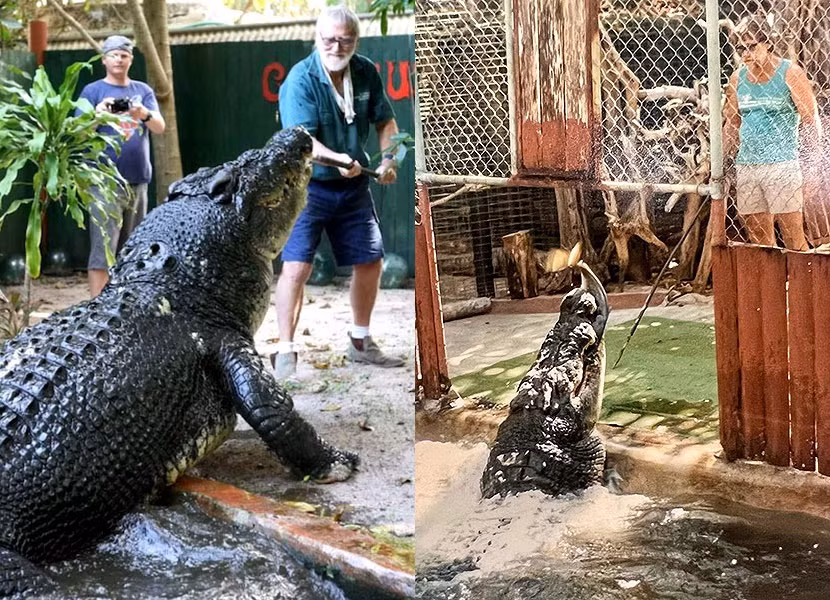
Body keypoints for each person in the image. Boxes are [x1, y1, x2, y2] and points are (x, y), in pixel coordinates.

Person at [271, 5, 404, 379]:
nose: (336, 46)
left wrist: (390, 157)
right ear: (318, 39)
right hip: (307, 186)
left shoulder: (365, 71)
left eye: (345, 40)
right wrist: (341, 160)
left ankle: (360, 342)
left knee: (371, 260)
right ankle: (285, 350)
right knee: (297, 266)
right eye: (329, 39)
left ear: (355, 41)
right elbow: (303, 142)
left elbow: (386, 120)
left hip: (354, 185)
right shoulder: (301, 80)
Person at [723, 16, 823, 251]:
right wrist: (721, 164)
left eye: (751, 46)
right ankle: (774, 288)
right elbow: (733, 123)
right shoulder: (737, 79)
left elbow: (811, 121)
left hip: (783, 164)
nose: (745, 54)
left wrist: (813, 168)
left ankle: (802, 286)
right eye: (740, 48)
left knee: (792, 236)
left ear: (767, 43)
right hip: (748, 165)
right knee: (759, 238)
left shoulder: (790, 73)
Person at [78, 35, 166, 296]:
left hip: (138, 182)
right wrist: (98, 114)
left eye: (124, 55)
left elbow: (160, 127)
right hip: (103, 183)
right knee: (103, 250)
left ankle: (125, 307)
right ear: (104, 59)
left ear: (131, 59)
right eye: (114, 54)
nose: (119, 59)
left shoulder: (143, 91)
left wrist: (143, 113)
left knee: (134, 250)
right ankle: (97, 311)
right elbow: (78, 134)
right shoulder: (92, 92)